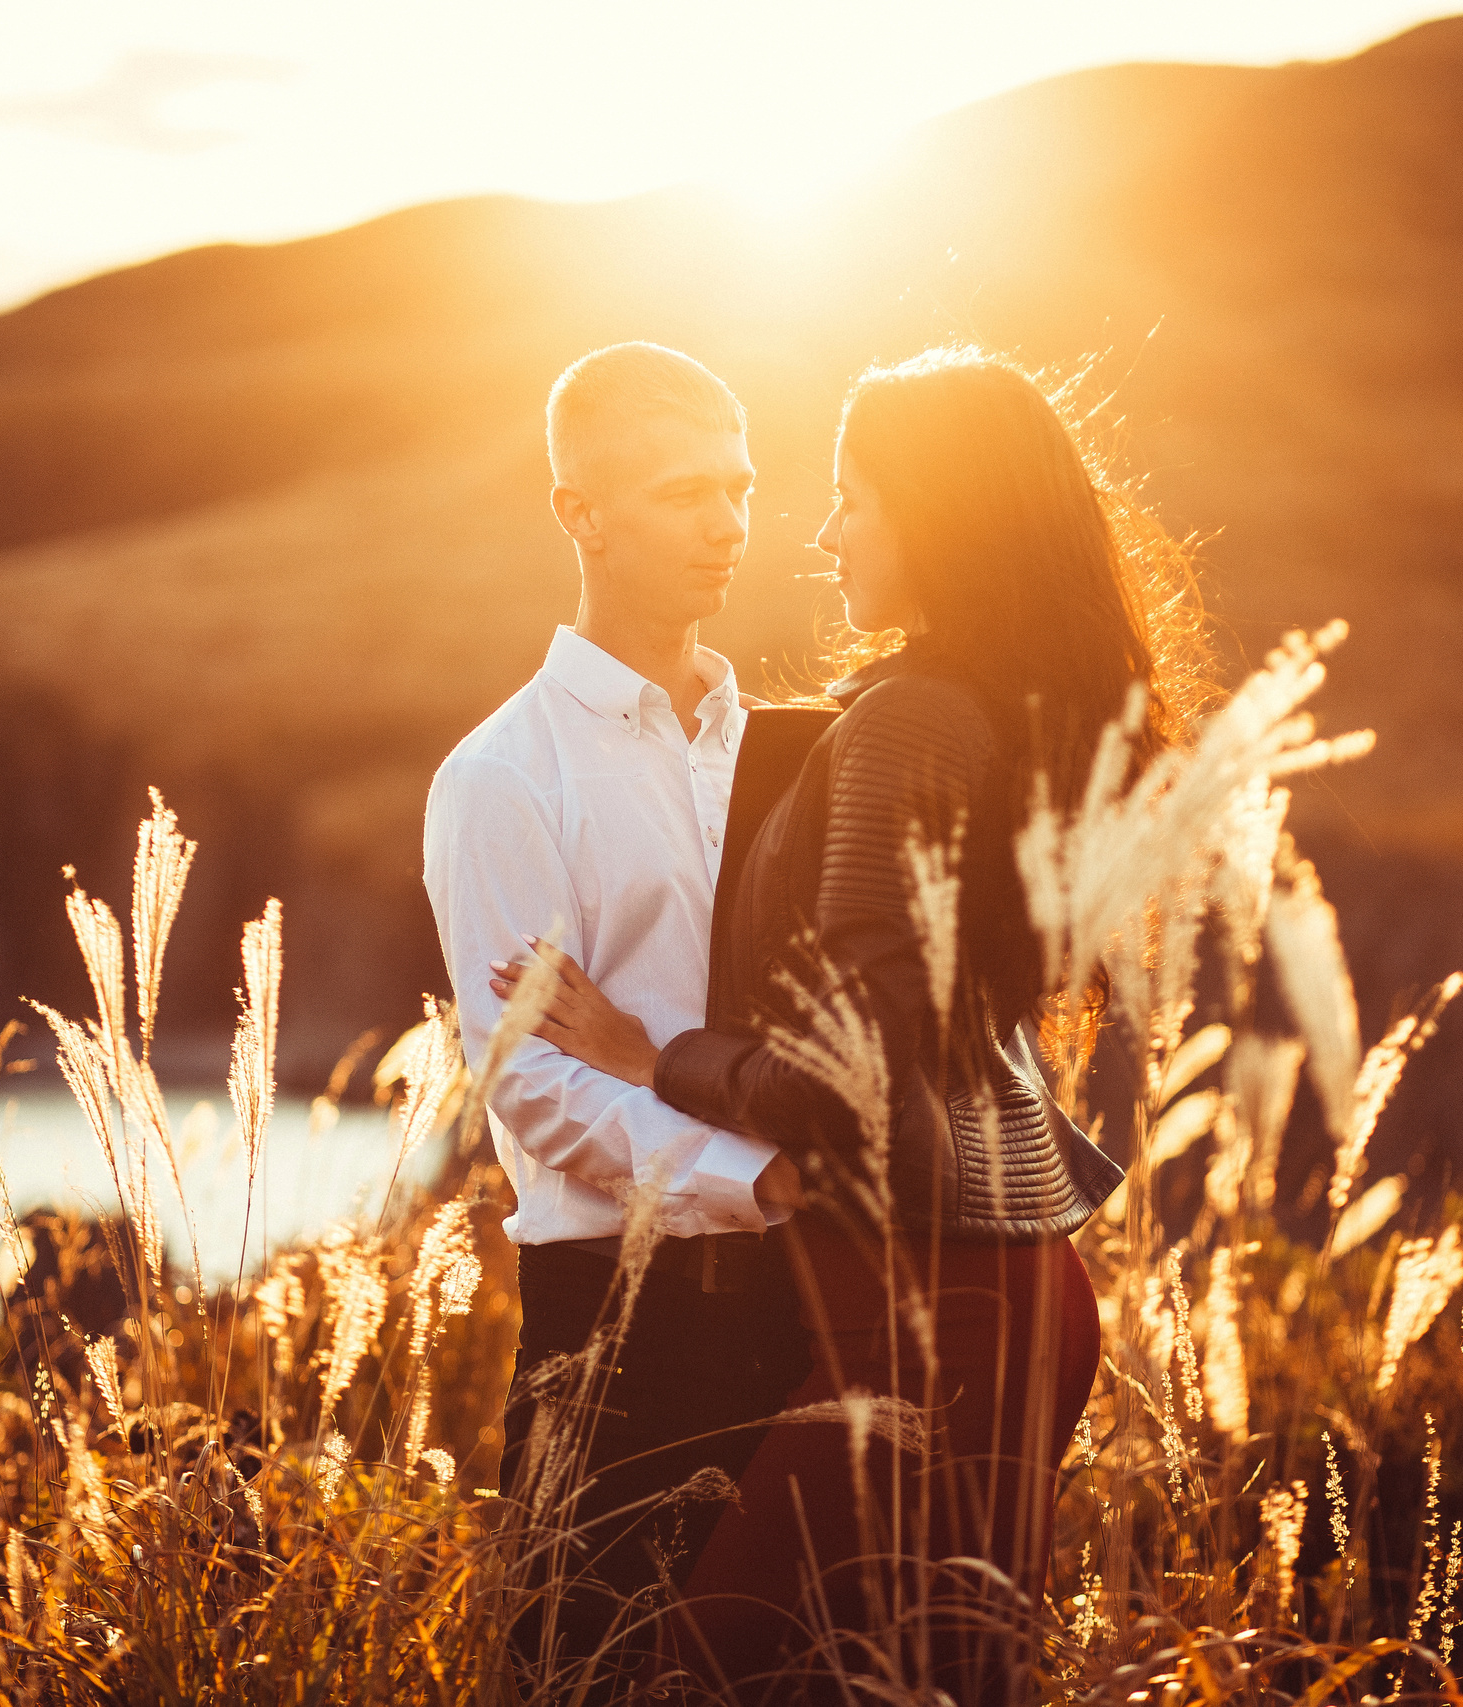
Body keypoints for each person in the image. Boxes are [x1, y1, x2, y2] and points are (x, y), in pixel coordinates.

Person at [491, 345, 1199, 1705]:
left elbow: (852, 1066)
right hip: (1016, 1287)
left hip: (930, 1311)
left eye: (850, 498)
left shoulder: (914, 724)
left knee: (699, 1681)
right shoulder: (977, 711)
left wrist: (651, 1058)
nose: (817, 535)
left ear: (938, 516)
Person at [421, 342, 811, 1686]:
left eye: (741, 486)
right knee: (594, 1679)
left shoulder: (792, 752)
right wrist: (759, 1179)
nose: (728, 524)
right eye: (680, 490)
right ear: (577, 509)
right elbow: (531, 1087)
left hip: (810, 1321)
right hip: (614, 1338)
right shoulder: (504, 778)